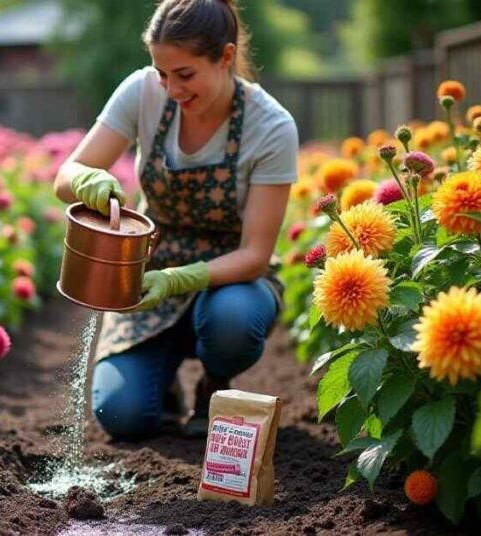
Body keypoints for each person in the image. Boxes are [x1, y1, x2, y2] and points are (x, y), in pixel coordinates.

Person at [53, 0, 298, 440]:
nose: (171, 89)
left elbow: (255, 255)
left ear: (225, 57)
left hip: (230, 278)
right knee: (121, 416)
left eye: (185, 75)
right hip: (150, 273)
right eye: (163, 74)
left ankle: (213, 384)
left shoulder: (271, 126)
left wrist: (176, 279)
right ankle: (162, 381)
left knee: (232, 322)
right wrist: (87, 178)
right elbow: (65, 176)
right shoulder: (142, 92)